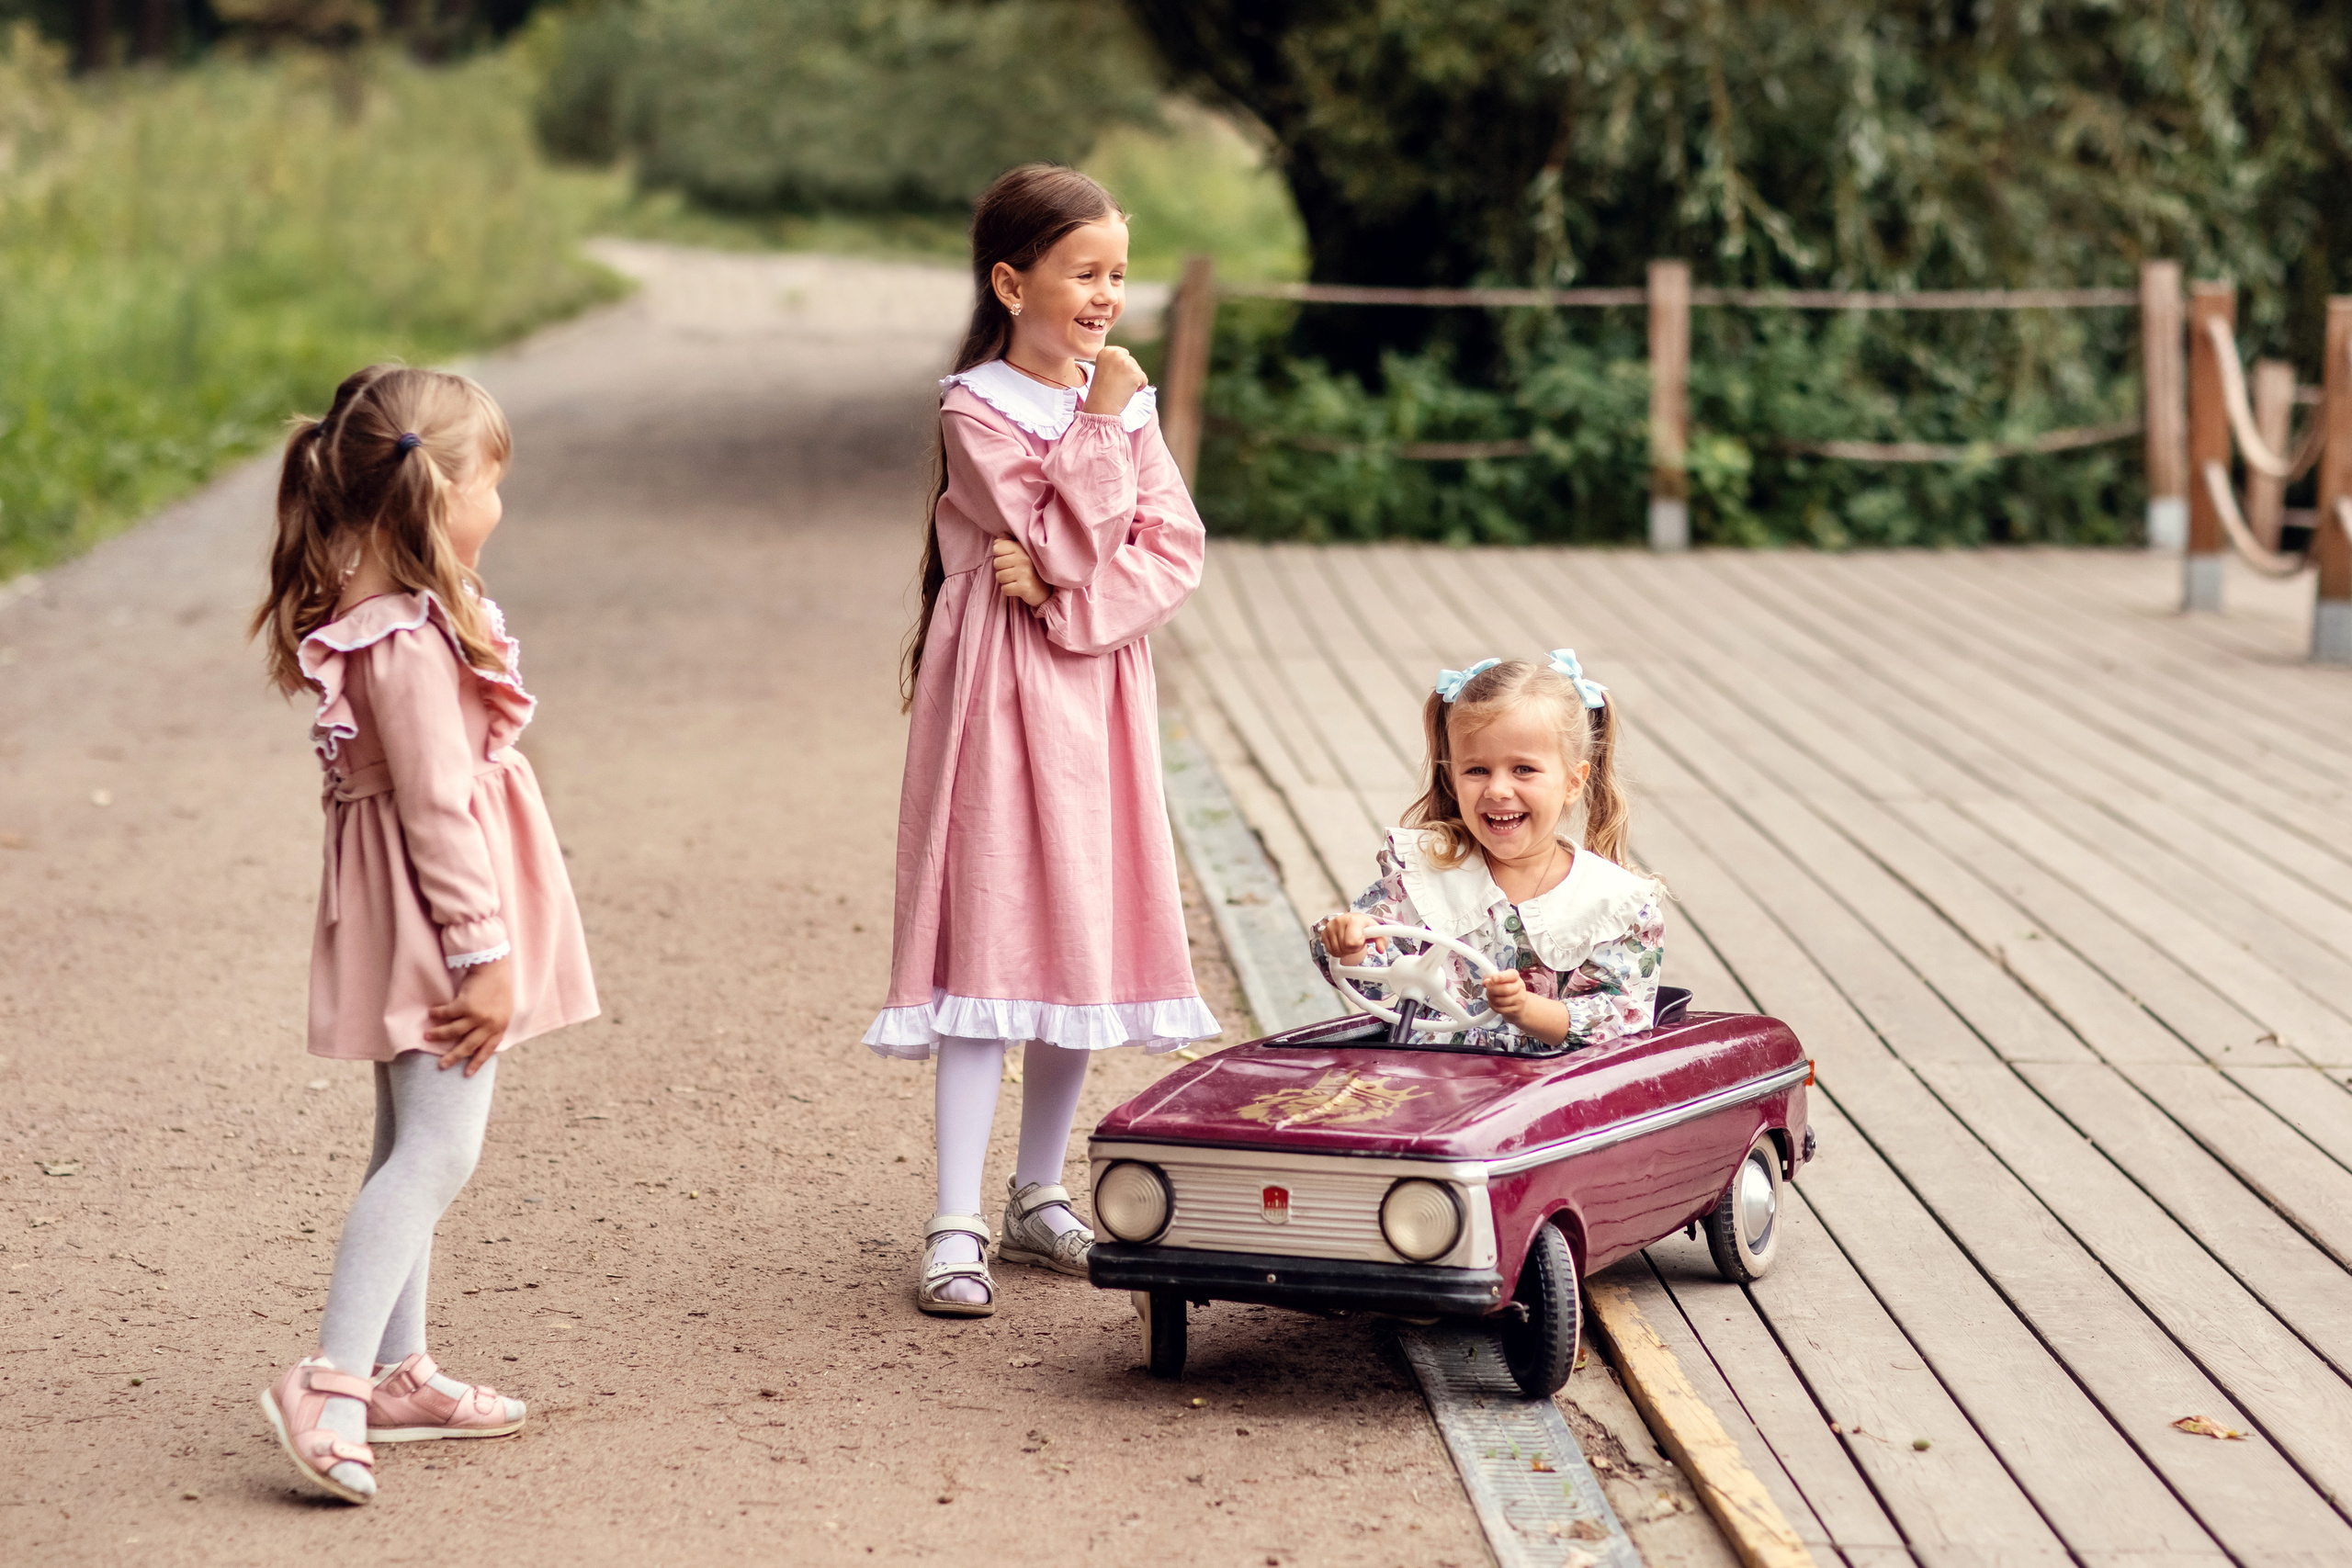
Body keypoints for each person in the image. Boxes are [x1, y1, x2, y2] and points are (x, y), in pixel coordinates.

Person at [865, 164, 1217, 1316]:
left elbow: (1165, 547)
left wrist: (1069, 599)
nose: (1108, 295)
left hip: (1093, 688)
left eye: (1119, 273)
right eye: (1085, 272)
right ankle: (955, 1217)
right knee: (995, 936)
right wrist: (1100, 432)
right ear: (1014, 283)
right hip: (999, 702)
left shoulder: (1122, 403)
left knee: (1077, 938)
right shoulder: (974, 407)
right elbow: (1049, 533)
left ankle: (1037, 1192)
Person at [248, 366, 597, 1504]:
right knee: (440, 1152)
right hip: (440, 923)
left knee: (408, 1140)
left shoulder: (386, 614)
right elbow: (438, 810)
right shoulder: (403, 641)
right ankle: (334, 1381)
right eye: (493, 484)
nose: (502, 506)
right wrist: (485, 955)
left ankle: (396, 1373)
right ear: (440, 497)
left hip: (404, 911)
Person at [1314, 652, 1664, 1051]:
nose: (1497, 790)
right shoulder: (1427, 872)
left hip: (1546, 1091)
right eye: (1477, 770)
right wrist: (1351, 942)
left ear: (1572, 781)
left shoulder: (1612, 902)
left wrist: (1526, 1010)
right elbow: (1371, 980)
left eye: (1523, 770)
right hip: (1425, 1075)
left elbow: (1621, 1018)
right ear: (1452, 778)